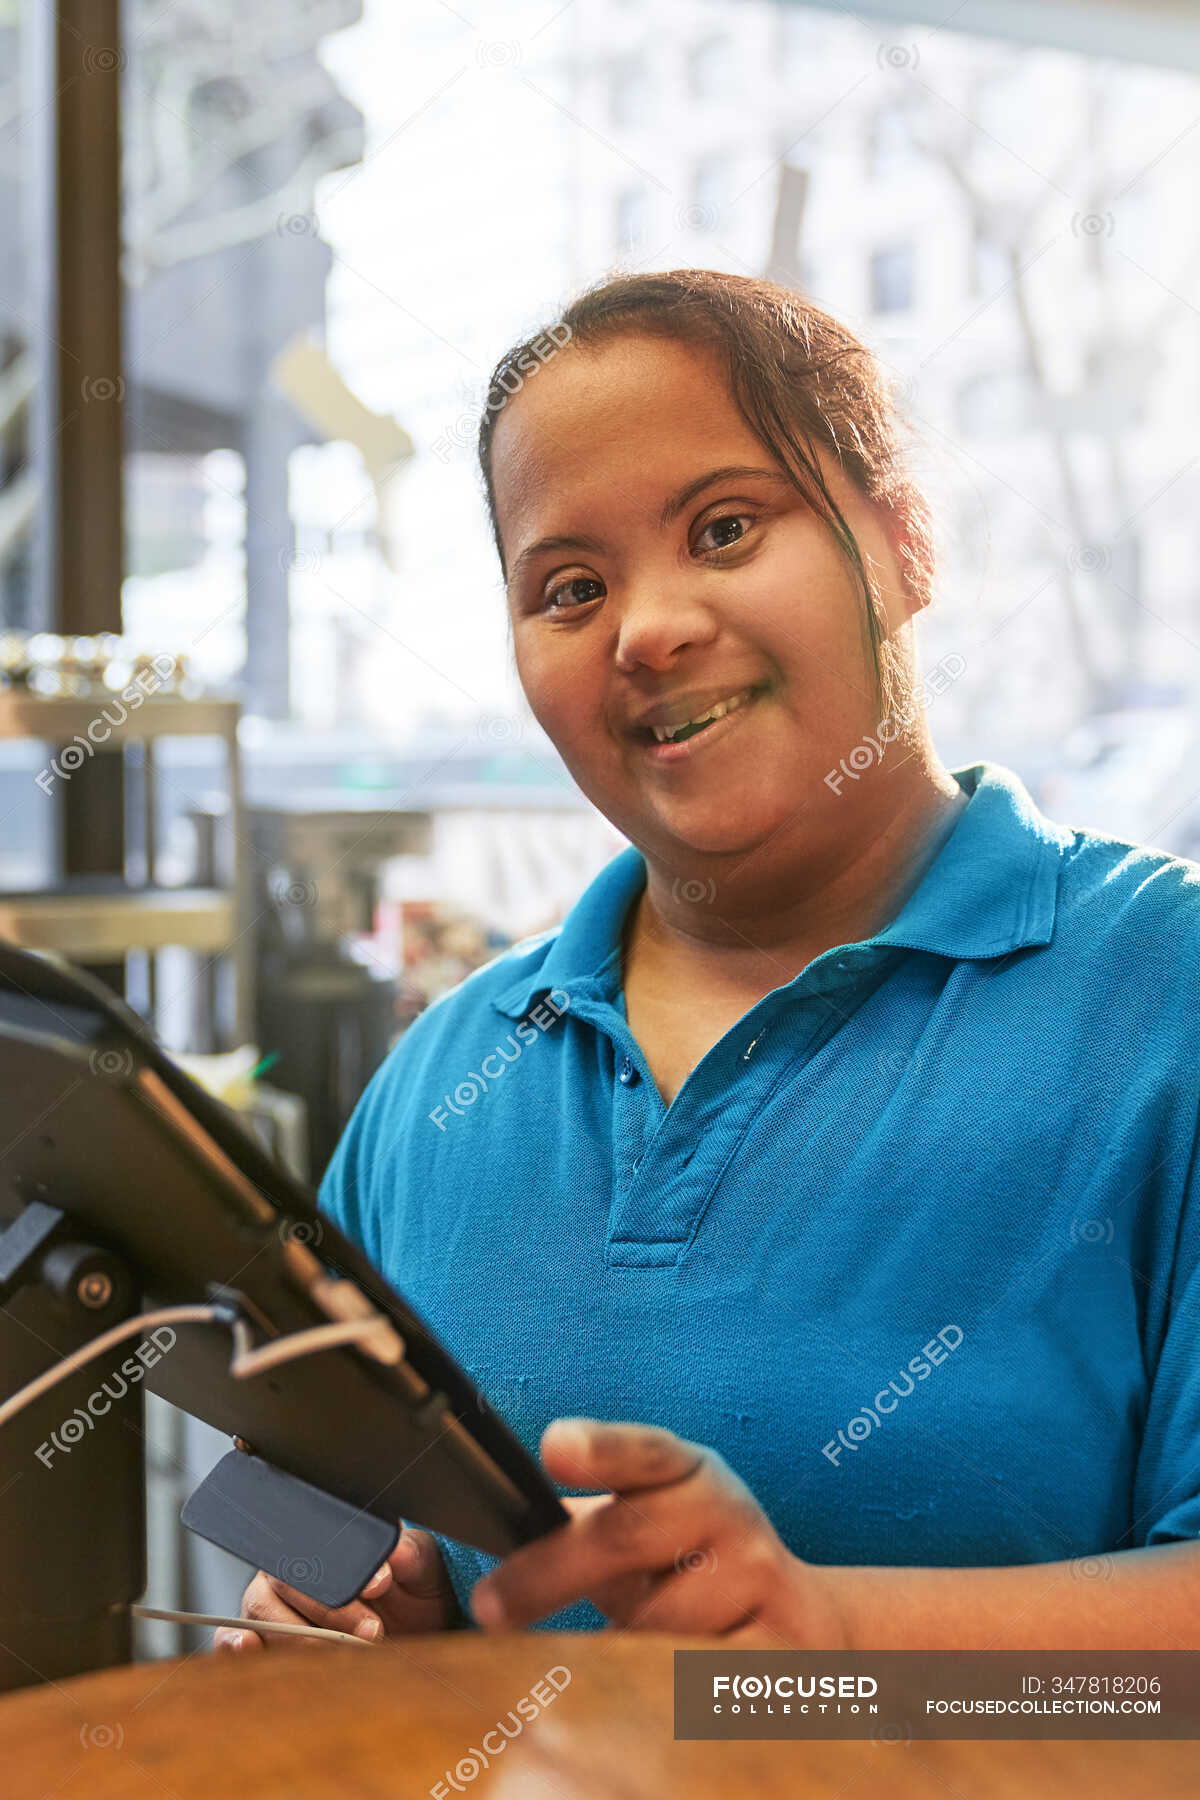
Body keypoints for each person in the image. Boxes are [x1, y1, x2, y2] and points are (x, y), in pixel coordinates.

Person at [215, 269, 1200, 1654]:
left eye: (726, 527)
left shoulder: (1167, 997)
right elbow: (315, 1557)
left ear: (906, 542)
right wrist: (385, 1625)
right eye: (570, 587)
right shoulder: (443, 1079)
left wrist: (830, 1640)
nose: (648, 627)